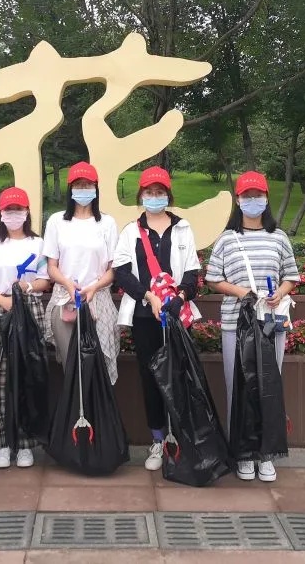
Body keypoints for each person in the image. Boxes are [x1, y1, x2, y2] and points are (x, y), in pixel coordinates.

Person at [204, 170, 299, 482]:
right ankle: (244, 454)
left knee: (269, 387)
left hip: (271, 324)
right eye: (247, 196)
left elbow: (291, 276)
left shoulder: (279, 237)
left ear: (266, 198)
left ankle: (266, 454)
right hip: (236, 324)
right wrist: (240, 292)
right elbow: (212, 278)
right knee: (238, 387)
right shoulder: (227, 239)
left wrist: (279, 293)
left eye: (258, 195)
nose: (253, 200)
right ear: (238, 200)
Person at [113, 166, 201, 471]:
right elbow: (122, 272)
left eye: (159, 192)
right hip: (144, 315)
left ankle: (181, 438)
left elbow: (192, 272)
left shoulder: (183, 229)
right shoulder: (131, 231)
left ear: (168, 195)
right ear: (141, 195)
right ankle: (158, 439)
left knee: (179, 375)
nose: (154, 197)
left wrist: (180, 297)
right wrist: (148, 296)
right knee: (150, 376)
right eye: (149, 192)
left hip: (177, 314)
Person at [0, 187, 51, 469]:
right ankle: (1, 444)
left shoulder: (38, 244)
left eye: (18, 209)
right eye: (9, 210)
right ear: (0, 213)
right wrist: (4, 301)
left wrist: (27, 287)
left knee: (29, 374)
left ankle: (26, 444)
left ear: (27, 212)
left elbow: (45, 280)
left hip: (29, 309)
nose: (14, 214)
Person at [43, 161, 120, 384]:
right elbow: (52, 266)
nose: (83, 189)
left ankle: (97, 406)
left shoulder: (107, 223)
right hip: (65, 299)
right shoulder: (57, 221)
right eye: (78, 185)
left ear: (96, 188)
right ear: (70, 189)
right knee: (71, 367)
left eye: (88, 185)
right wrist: (68, 284)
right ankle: (76, 406)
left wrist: (95, 286)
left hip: (98, 300)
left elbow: (113, 269)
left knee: (99, 367)